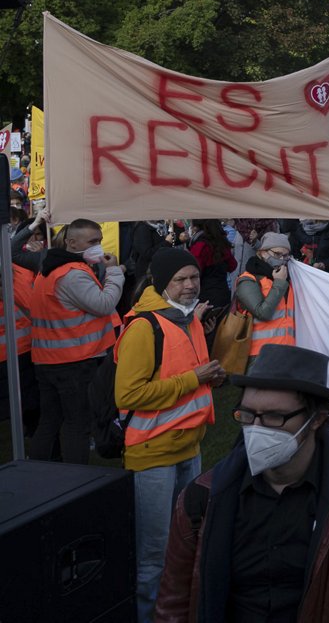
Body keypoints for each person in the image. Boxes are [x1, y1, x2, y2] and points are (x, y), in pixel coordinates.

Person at [155, 344, 329, 622]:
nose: (256, 429)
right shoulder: (202, 498)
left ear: (317, 419)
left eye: (274, 417)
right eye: (247, 415)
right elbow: (173, 605)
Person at [116, 248, 225, 623]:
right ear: (161, 282)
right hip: (153, 454)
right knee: (155, 552)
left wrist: (209, 376)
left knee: (185, 540)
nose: (190, 285)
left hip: (188, 446)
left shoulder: (188, 319)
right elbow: (128, 395)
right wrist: (195, 379)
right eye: (180, 279)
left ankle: (180, 610)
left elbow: (185, 374)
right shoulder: (143, 327)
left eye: (193, 277)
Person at [30, 218, 125, 462]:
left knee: (50, 421)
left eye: (100, 241)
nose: (99, 247)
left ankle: (38, 470)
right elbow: (104, 304)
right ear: (72, 242)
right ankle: (75, 478)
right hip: (74, 362)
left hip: (48, 360)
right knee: (77, 424)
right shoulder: (72, 274)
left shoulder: (50, 269)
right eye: (93, 242)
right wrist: (115, 272)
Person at [234, 232, 296, 364]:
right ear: (262, 252)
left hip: (286, 350)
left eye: (286, 256)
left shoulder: (285, 278)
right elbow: (263, 313)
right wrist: (279, 283)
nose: (282, 259)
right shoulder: (248, 279)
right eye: (277, 254)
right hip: (259, 354)